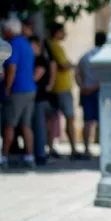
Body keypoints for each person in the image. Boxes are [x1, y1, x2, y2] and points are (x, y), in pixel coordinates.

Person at [1, 18, 38, 169]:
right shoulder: (26, 43)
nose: (3, 33)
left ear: (10, 31)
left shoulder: (14, 44)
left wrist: (7, 87)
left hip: (18, 90)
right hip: (30, 89)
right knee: (26, 125)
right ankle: (29, 157)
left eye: (4, 30)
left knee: (9, 125)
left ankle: (3, 157)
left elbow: (12, 68)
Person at [46, 23, 79, 158]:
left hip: (56, 88)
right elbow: (64, 65)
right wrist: (73, 65)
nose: (65, 34)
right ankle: (73, 149)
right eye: (63, 31)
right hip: (63, 88)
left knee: (52, 120)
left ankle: (51, 147)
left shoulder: (51, 45)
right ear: (57, 32)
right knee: (70, 119)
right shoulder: (56, 46)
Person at [76, 31, 106, 160]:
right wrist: (94, 87)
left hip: (86, 91)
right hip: (100, 92)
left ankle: (86, 149)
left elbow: (77, 72)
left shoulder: (86, 55)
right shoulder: (105, 55)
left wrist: (82, 86)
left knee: (87, 122)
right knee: (103, 122)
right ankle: (104, 149)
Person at [31, 36, 56, 166]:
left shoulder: (40, 60)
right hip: (43, 97)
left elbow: (35, 77)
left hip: (40, 98)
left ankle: (41, 155)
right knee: (41, 127)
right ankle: (41, 153)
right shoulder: (42, 59)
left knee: (39, 128)